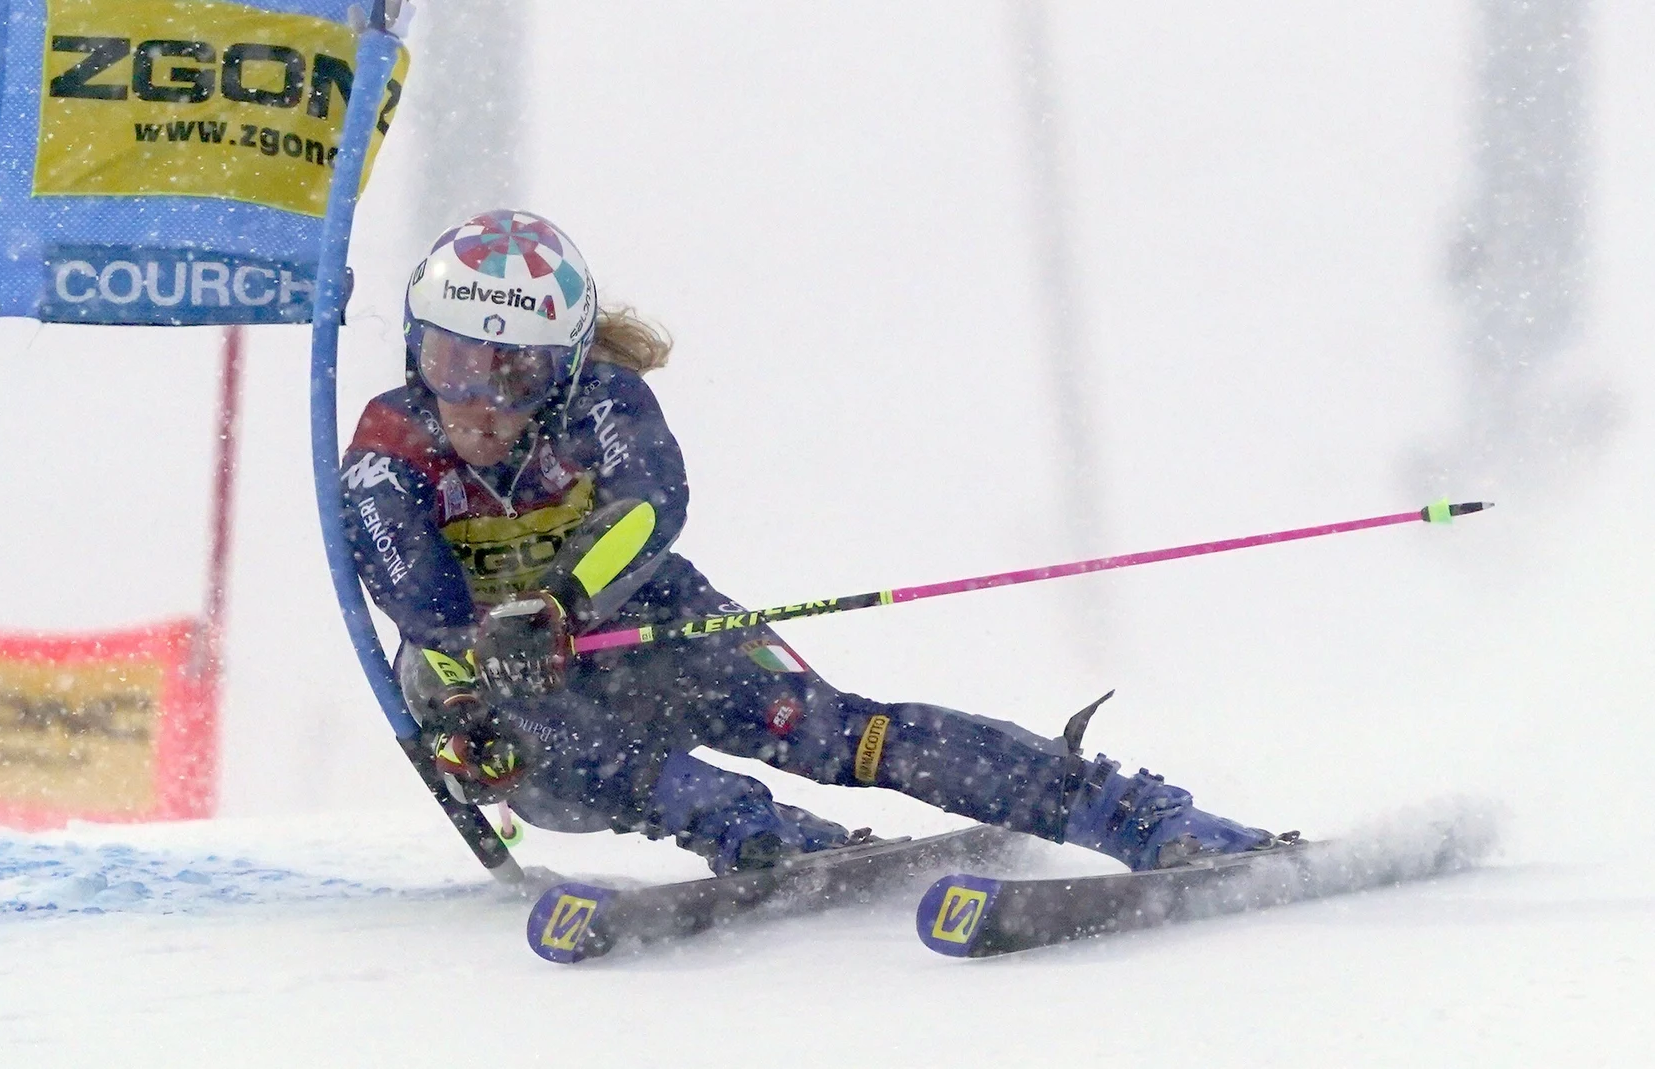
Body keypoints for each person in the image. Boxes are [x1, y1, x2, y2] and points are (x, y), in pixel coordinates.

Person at [342, 209, 1280, 876]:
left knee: (829, 729)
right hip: (490, 678)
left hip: (635, 620)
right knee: (577, 748)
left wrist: (565, 604)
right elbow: (417, 597)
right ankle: (742, 824)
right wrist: (486, 655)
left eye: (512, 369)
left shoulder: (603, 402)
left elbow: (648, 504)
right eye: (449, 357)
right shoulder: (391, 445)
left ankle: (1124, 810)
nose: (474, 397)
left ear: (566, 366)